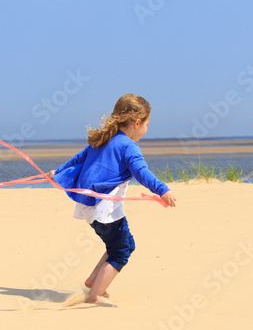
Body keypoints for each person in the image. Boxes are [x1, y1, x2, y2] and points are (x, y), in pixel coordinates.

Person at [50, 94, 176, 305]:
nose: (147, 128)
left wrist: (58, 172)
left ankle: (94, 281)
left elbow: (78, 159)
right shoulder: (128, 146)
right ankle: (95, 296)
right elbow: (142, 172)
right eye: (147, 123)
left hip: (91, 209)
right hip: (105, 211)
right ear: (137, 123)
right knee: (120, 252)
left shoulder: (105, 138)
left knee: (124, 244)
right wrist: (162, 190)